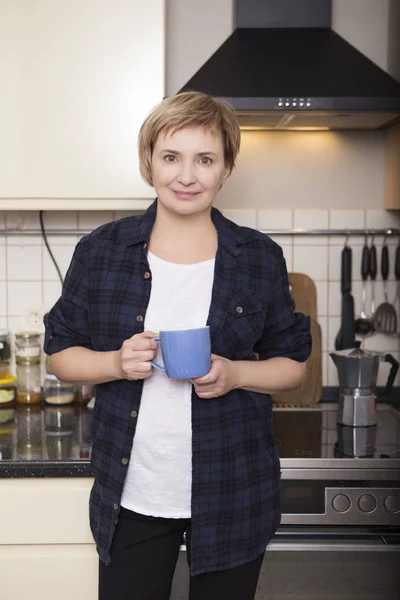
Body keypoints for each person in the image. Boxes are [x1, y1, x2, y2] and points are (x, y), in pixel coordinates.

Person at [44, 91, 311, 600]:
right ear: (149, 162)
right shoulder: (101, 251)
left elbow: (292, 364)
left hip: (235, 487)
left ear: (226, 168)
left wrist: (236, 374)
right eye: (171, 157)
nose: (187, 176)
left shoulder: (258, 256)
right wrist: (115, 363)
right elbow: (61, 354)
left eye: (205, 159)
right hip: (134, 491)